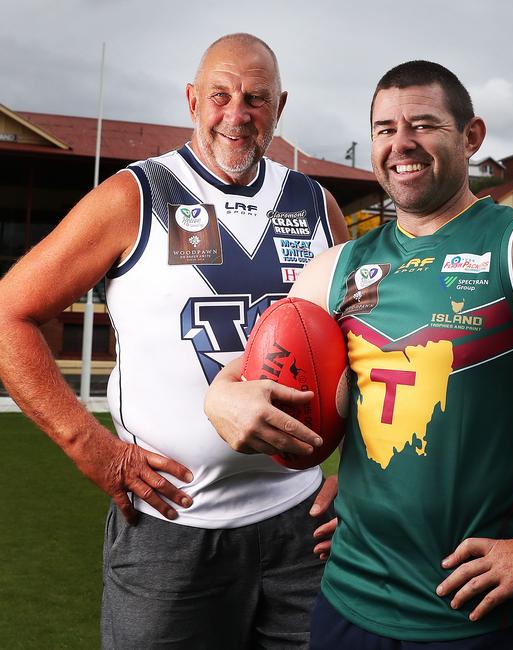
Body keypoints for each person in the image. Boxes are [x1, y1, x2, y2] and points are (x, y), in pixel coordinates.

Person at [205, 60, 513, 649]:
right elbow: (246, 372)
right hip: (345, 602)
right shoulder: (338, 267)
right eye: (384, 129)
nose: (400, 144)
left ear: (471, 136)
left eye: (422, 124)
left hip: (475, 614)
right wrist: (221, 398)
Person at [0, 33, 348, 649]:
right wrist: (95, 450)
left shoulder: (316, 205)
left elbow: (362, 348)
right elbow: (8, 313)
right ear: (192, 100)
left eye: (256, 98)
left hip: (304, 531)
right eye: (221, 95)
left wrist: (362, 478)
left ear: (281, 107)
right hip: (170, 529)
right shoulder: (135, 196)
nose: (236, 115)